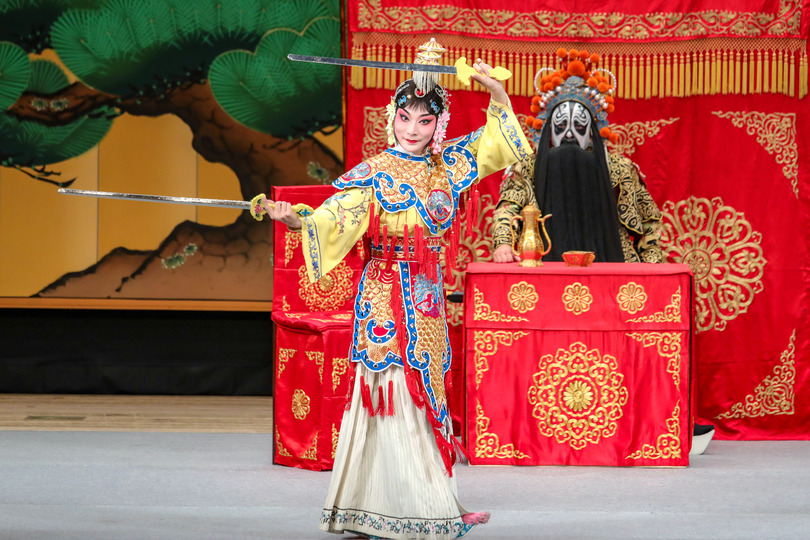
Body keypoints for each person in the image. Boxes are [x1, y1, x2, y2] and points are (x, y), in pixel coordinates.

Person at [263, 39, 531, 539]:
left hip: (428, 297)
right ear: (392, 119)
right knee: (391, 393)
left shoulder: (449, 164)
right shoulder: (374, 173)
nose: (413, 130)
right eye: (405, 118)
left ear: (438, 125)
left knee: (429, 392)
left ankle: (436, 500)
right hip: (385, 293)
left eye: (424, 121)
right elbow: (332, 216)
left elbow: (503, 143)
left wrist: (496, 91)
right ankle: (408, 509)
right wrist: (294, 220)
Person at [491, 48, 663, 265]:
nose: (570, 134)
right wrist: (503, 244)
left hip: (612, 267)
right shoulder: (527, 168)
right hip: (542, 267)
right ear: (549, 131)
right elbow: (506, 212)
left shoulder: (619, 169)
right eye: (561, 125)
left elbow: (649, 223)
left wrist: (651, 269)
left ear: (591, 132)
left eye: (579, 126)